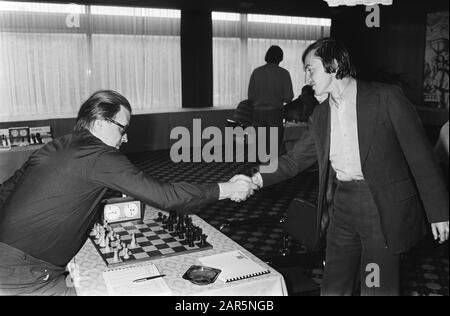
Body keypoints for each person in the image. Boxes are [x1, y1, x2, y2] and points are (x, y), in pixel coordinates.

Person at [234, 38, 449, 296]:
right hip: (342, 205)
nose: (306, 77)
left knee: (376, 286)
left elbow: (421, 156)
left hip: (379, 206)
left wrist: (439, 211)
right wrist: (256, 178)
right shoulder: (321, 115)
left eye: (310, 69)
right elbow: (293, 160)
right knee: (334, 285)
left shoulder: (385, 98)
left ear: (333, 65)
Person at [0, 90, 257, 296]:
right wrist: (228, 188)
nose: (125, 138)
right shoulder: (100, 155)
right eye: (122, 128)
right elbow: (166, 196)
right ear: (100, 123)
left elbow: (5, 191)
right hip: (25, 275)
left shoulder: (55, 146)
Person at [248, 45, 294, 152]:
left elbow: (250, 96)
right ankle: (272, 167)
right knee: (274, 145)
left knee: (259, 144)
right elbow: (288, 97)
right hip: (275, 112)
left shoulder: (257, 72)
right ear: (281, 58)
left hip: (258, 112)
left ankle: (259, 165)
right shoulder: (284, 73)